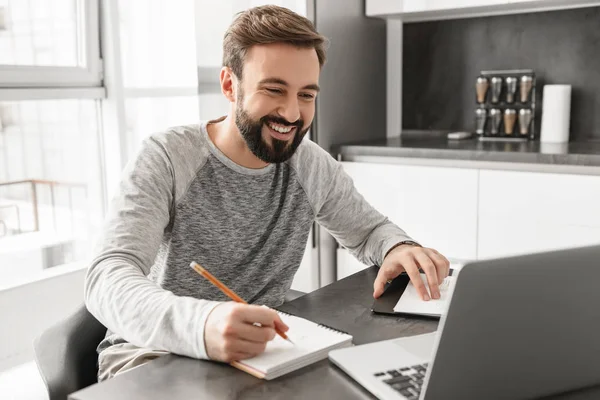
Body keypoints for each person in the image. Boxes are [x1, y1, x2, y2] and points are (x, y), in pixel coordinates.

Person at [85, 5, 450, 381]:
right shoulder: (166, 156)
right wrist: (203, 325)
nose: (292, 114)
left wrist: (398, 248)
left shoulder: (311, 165)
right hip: (153, 357)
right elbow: (107, 276)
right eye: (274, 89)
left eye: (306, 95)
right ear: (230, 85)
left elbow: (371, 231)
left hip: (265, 352)